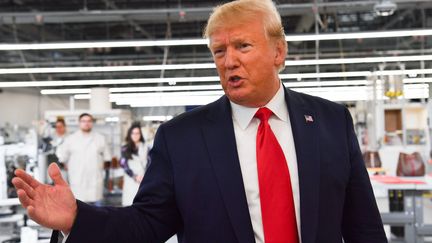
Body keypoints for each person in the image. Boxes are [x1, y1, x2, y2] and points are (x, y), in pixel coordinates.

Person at [12, 0, 387, 242]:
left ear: (278, 51)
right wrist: (77, 217)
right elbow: (146, 225)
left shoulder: (330, 122)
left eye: (242, 46)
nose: (228, 61)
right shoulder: (182, 138)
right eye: (219, 51)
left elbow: (363, 228)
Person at [55, 113, 111, 204]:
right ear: (79, 123)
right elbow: (62, 157)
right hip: (78, 180)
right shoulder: (71, 139)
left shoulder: (100, 139)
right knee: (79, 210)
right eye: (83, 121)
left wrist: (102, 169)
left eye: (89, 121)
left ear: (92, 123)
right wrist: (63, 164)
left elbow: (107, 158)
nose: (86, 123)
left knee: (98, 213)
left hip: (95, 180)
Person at [119, 122, 149, 206]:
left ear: (140, 134)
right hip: (131, 180)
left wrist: (145, 176)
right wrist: (134, 176)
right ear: (130, 134)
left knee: (143, 205)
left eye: (137, 133)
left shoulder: (146, 147)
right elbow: (123, 165)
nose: (135, 135)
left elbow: (150, 163)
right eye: (133, 133)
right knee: (130, 204)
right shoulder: (124, 148)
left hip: (144, 179)